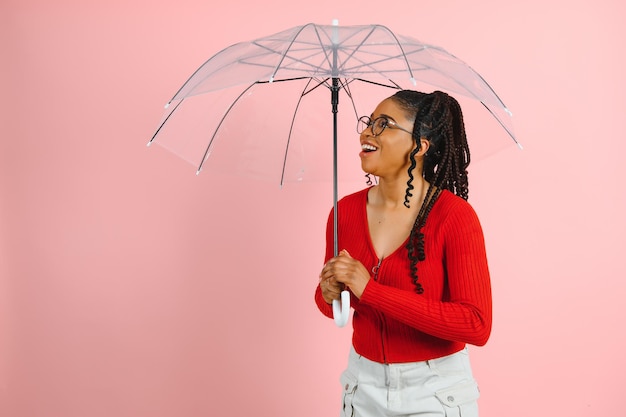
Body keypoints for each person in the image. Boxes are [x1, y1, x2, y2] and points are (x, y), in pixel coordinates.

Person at [315, 90, 492, 417]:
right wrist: (329, 294)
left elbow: (476, 324)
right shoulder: (344, 212)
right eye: (369, 123)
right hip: (361, 385)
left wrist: (371, 290)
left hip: (434, 391)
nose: (367, 133)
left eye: (384, 124)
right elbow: (333, 306)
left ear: (420, 146)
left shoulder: (453, 217)